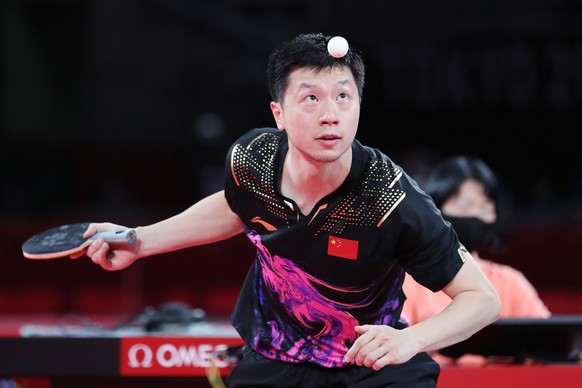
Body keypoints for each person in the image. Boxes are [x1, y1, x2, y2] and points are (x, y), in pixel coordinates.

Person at [73, 33, 500, 387]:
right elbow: (235, 207)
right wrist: (139, 240)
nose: (330, 115)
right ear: (279, 113)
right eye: (310, 98)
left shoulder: (391, 198)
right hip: (274, 361)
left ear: (358, 107)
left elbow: (482, 299)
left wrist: (413, 341)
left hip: (371, 370)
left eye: (343, 97)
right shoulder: (252, 160)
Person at [401, 155, 550, 364]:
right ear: (434, 210)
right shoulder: (406, 282)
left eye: (485, 208)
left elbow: (549, 347)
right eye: (464, 206)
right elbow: (395, 354)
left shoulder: (512, 283)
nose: (475, 215)